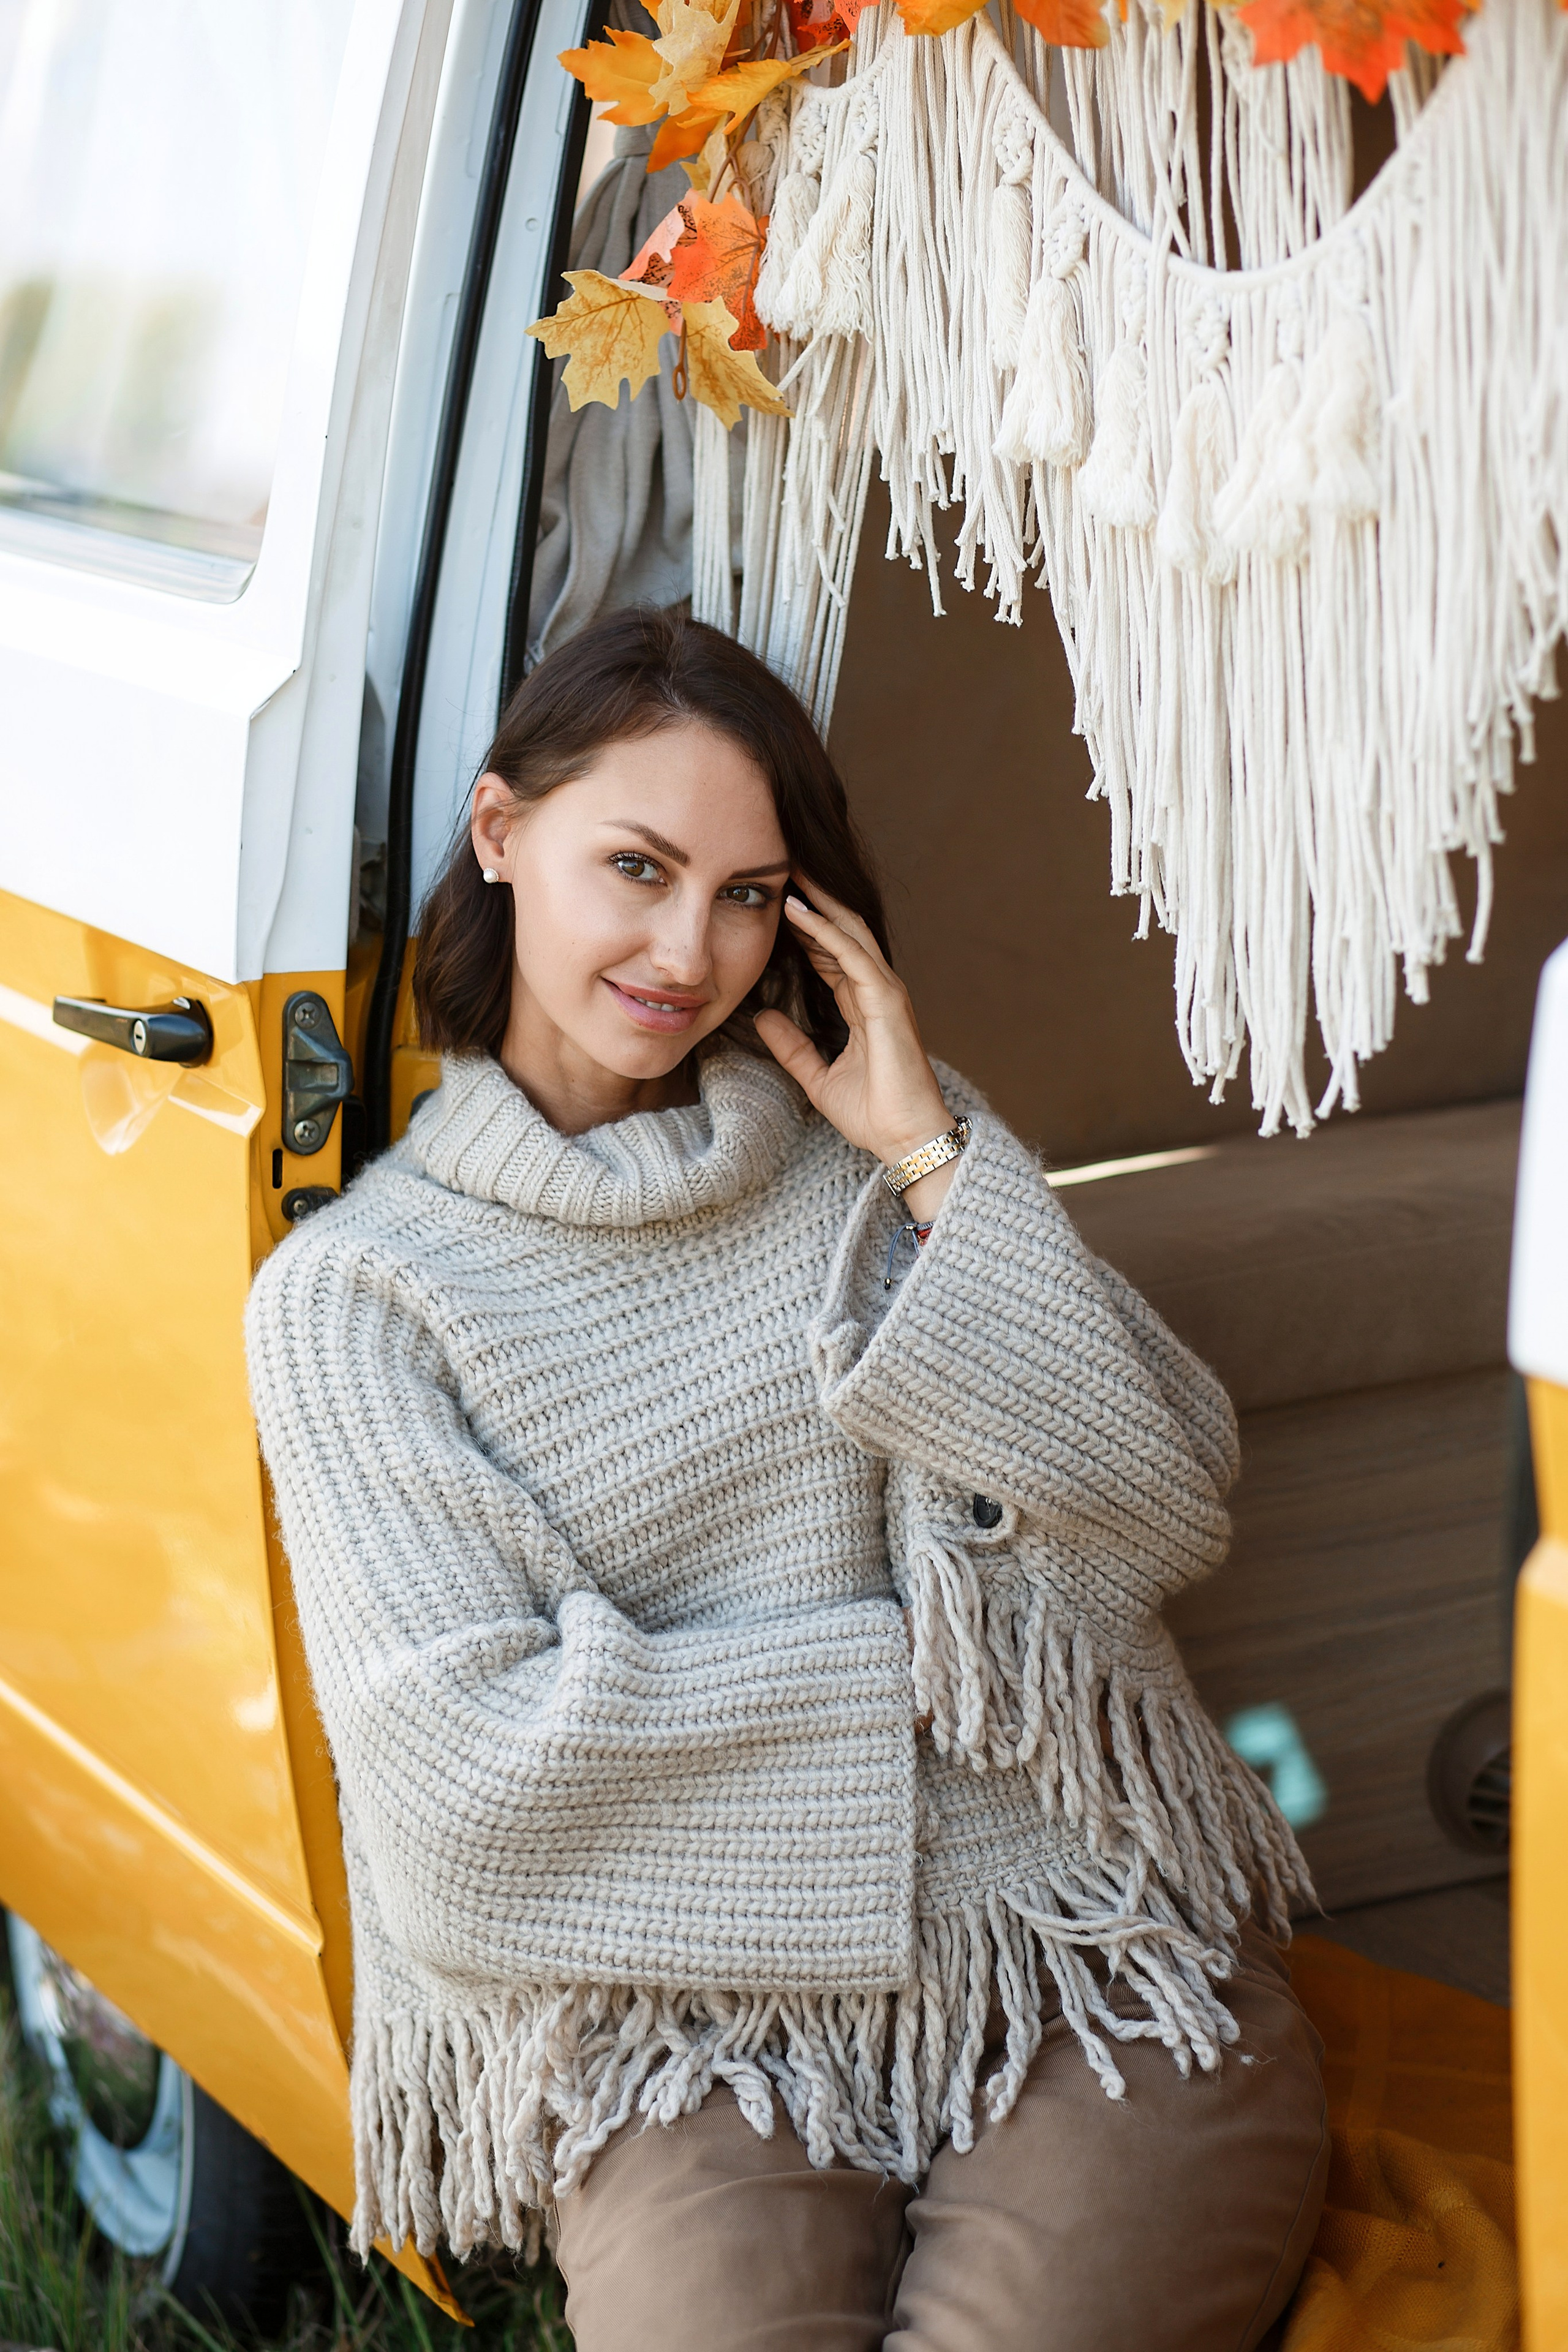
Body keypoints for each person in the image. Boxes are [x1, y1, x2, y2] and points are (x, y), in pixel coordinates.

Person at [246, 608, 1328, 2352]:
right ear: (500, 831)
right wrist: (931, 1678)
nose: (691, 947)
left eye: (750, 892)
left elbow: (1167, 1488)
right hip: (686, 2031)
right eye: (638, 866)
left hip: (1069, 1953)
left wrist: (924, 1154)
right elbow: (465, 1789)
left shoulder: (882, 1154)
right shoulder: (362, 1300)